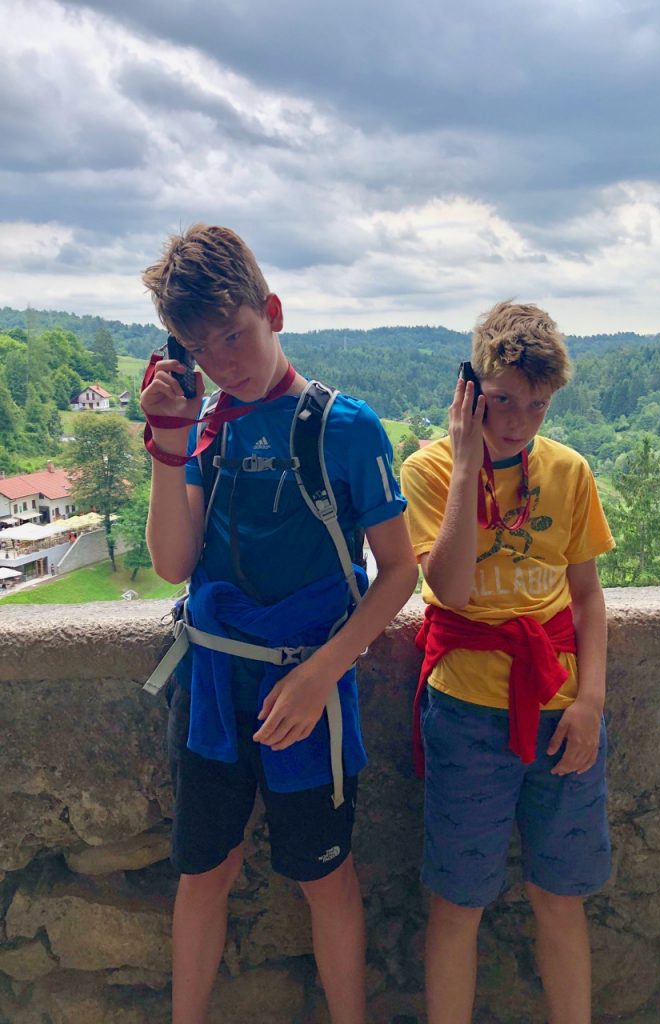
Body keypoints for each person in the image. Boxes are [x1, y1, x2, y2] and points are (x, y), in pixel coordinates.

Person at [140, 224, 417, 1024]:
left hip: (309, 684)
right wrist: (167, 440)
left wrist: (323, 671)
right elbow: (172, 561)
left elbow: (400, 569)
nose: (226, 362)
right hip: (215, 687)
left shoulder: (346, 427)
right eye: (203, 346)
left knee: (325, 875)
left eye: (236, 335)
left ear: (274, 311)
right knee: (204, 872)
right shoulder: (209, 430)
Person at [400, 301, 615, 1024]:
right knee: (459, 901)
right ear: (471, 389)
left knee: (561, 896)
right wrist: (467, 466)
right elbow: (450, 589)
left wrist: (590, 704)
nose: (518, 423)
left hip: (560, 702)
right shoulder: (428, 470)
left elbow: (586, 597)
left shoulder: (568, 471)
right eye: (500, 403)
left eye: (536, 406)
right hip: (468, 711)